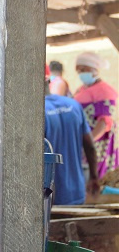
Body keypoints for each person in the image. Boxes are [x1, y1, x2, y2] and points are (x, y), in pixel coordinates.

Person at [44, 73, 99, 205]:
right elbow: (90, 147)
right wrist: (94, 177)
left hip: (50, 197)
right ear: (47, 81)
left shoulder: (36, 112)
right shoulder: (73, 105)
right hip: (77, 192)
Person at [74, 52, 118, 178]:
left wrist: (88, 143)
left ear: (94, 69)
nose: (81, 74)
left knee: (94, 179)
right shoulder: (83, 88)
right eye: (78, 71)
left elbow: (104, 122)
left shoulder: (104, 90)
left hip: (97, 143)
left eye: (83, 70)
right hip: (84, 139)